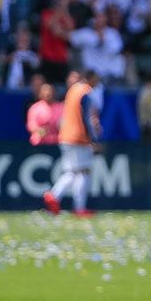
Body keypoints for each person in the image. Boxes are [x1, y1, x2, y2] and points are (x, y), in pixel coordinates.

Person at [43, 71, 103, 216]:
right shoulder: (85, 92)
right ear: (91, 79)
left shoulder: (73, 90)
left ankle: (54, 196)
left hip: (66, 135)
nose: (97, 84)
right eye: (96, 80)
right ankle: (78, 207)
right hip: (79, 137)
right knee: (83, 171)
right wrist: (92, 139)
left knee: (72, 171)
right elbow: (86, 117)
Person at [26, 83, 62, 147]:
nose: (48, 93)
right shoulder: (35, 108)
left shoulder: (61, 107)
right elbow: (31, 125)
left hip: (57, 143)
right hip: (39, 144)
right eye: (45, 91)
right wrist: (40, 131)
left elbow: (65, 124)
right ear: (40, 94)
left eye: (50, 91)